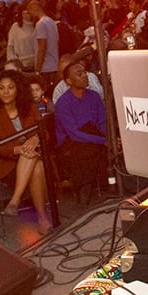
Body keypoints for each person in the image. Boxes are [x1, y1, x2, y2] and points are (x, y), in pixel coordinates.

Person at [0, 72, 53, 233]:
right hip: (5, 162)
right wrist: (19, 149)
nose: (5, 92)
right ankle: (42, 219)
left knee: (36, 164)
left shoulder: (29, 107)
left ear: (18, 89)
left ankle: (15, 200)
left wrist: (36, 138)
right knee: (35, 162)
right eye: (1, 88)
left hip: (31, 156)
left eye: (10, 88)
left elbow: (45, 133)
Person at [53, 62, 109, 203]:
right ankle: (89, 185)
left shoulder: (94, 96)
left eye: (85, 72)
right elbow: (73, 133)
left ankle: (93, 185)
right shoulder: (63, 103)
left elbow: (103, 121)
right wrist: (102, 141)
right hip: (71, 142)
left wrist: (108, 138)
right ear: (69, 81)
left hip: (93, 135)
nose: (85, 76)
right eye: (79, 74)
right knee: (87, 149)